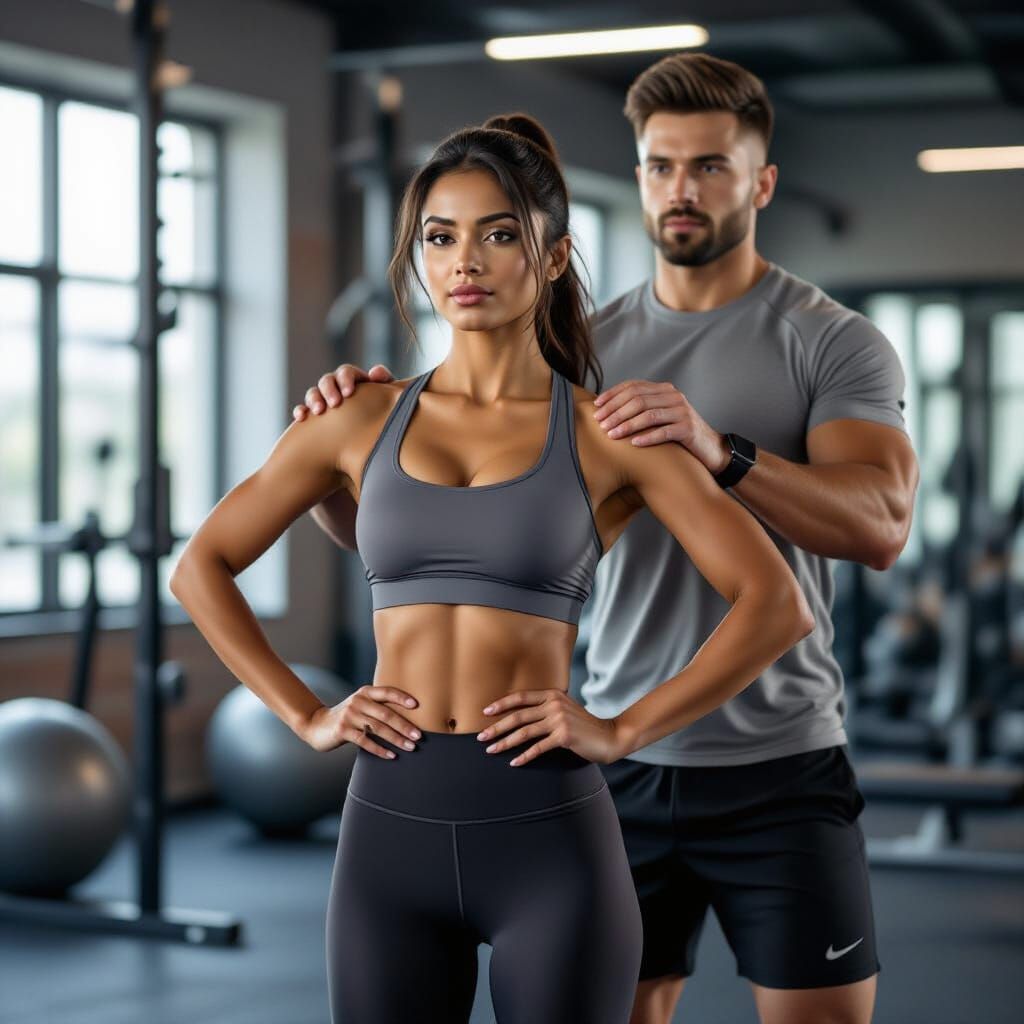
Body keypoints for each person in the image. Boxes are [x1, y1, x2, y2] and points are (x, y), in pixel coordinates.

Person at [295, 55, 920, 1024]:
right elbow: (455, 546)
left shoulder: (828, 339)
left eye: (710, 165)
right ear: (635, 178)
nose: (682, 187)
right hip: (600, 753)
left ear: (760, 182)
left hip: (775, 755)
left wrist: (721, 450)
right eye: (660, 165)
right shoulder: (577, 346)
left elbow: (879, 526)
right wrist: (346, 458)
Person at [170, 111, 813, 1024]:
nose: (464, 261)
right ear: (419, 258)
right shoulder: (357, 416)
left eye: (498, 234)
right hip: (387, 831)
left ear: (551, 259)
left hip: (549, 837)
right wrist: (307, 715)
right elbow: (202, 565)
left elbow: (774, 604)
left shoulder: (607, 432)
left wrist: (624, 729)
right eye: (440, 237)